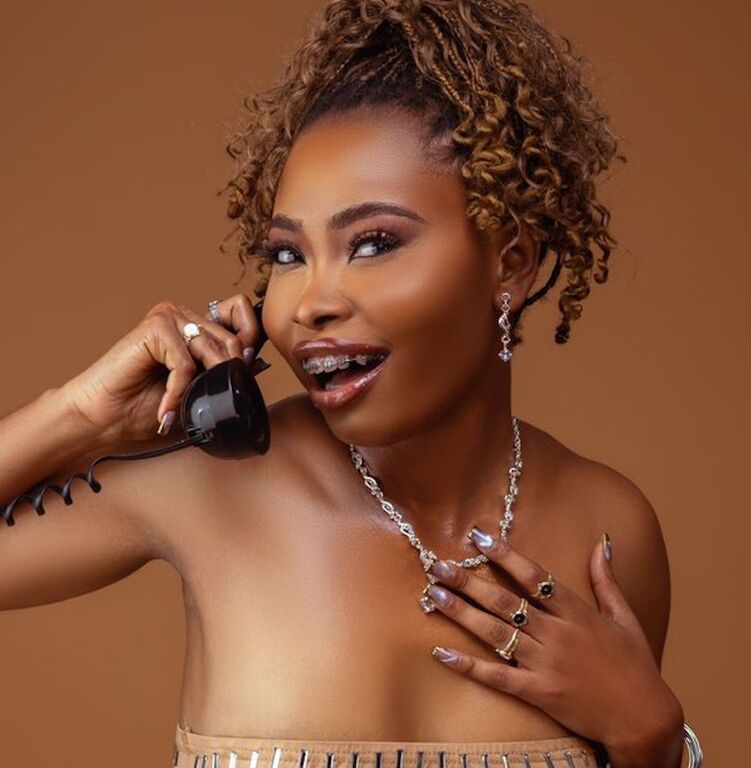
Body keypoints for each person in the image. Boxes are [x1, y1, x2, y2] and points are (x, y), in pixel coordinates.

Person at [0, 1, 697, 766]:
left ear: (512, 263)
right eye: (288, 256)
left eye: (372, 243)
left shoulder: (608, 531)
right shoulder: (211, 484)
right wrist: (80, 416)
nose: (311, 302)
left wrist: (654, 740)